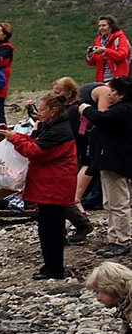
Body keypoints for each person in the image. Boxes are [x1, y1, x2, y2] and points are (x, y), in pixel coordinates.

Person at [1, 94, 77, 280]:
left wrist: (15, 138)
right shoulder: (53, 127)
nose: (38, 113)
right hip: (51, 185)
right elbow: (35, 144)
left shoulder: (59, 131)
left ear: (53, 111)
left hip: (53, 187)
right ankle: (51, 265)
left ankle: (54, 269)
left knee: (51, 229)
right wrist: (15, 136)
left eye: (42, 109)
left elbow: (33, 151)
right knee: (49, 227)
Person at [81, 76, 132, 257]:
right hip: (109, 162)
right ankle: (114, 239)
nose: (109, 94)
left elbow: (99, 117)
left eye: (113, 91)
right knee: (110, 203)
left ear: (121, 94)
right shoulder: (120, 110)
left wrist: (85, 109)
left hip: (116, 163)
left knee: (119, 203)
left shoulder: (123, 110)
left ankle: (123, 240)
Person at [51, 77, 95, 243]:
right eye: (55, 92)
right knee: (58, 194)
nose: (56, 95)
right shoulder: (65, 109)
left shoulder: (73, 111)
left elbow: (73, 134)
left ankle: (81, 223)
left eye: (59, 92)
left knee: (62, 194)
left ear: (69, 93)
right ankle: (60, 231)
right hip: (67, 153)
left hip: (72, 154)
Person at [87, 15, 131, 83]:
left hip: (118, 78)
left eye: (103, 25)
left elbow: (122, 55)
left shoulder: (120, 38)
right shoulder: (97, 40)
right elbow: (92, 63)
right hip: (101, 79)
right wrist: (90, 56)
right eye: (99, 26)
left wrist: (105, 50)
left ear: (111, 26)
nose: (101, 28)